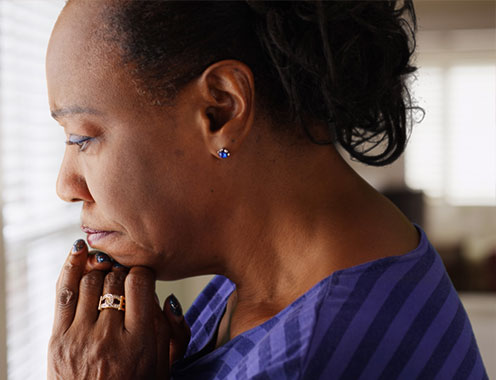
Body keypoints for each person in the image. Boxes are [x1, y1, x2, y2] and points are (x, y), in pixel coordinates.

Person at [44, 0, 488, 379]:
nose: (66, 185)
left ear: (220, 110)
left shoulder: (304, 360)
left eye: (83, 137)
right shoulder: (312, 261)